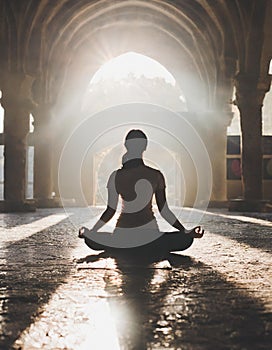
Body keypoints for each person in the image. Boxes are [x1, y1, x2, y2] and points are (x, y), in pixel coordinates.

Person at [79, 129, 204, 252]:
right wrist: (184, 231)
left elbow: (110, 210)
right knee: (186, 239)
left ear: (126, 145)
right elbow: (164, 210)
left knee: (91, 239)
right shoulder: (156, 175)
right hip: (150, 237)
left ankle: (122, 246)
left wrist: (92, 232)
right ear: (145, 147)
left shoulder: (116, 176)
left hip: (123, 236)